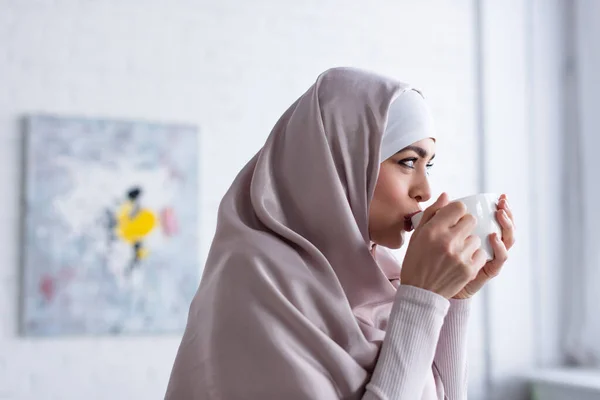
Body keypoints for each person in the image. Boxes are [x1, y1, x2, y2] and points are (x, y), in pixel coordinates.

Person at [165, 67, 515, 399]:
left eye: (429, 165)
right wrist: (422, 299)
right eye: (408, 162)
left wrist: (454, 297)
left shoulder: (386, 278)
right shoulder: (254, 283)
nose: (425, 189)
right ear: (340, 162)